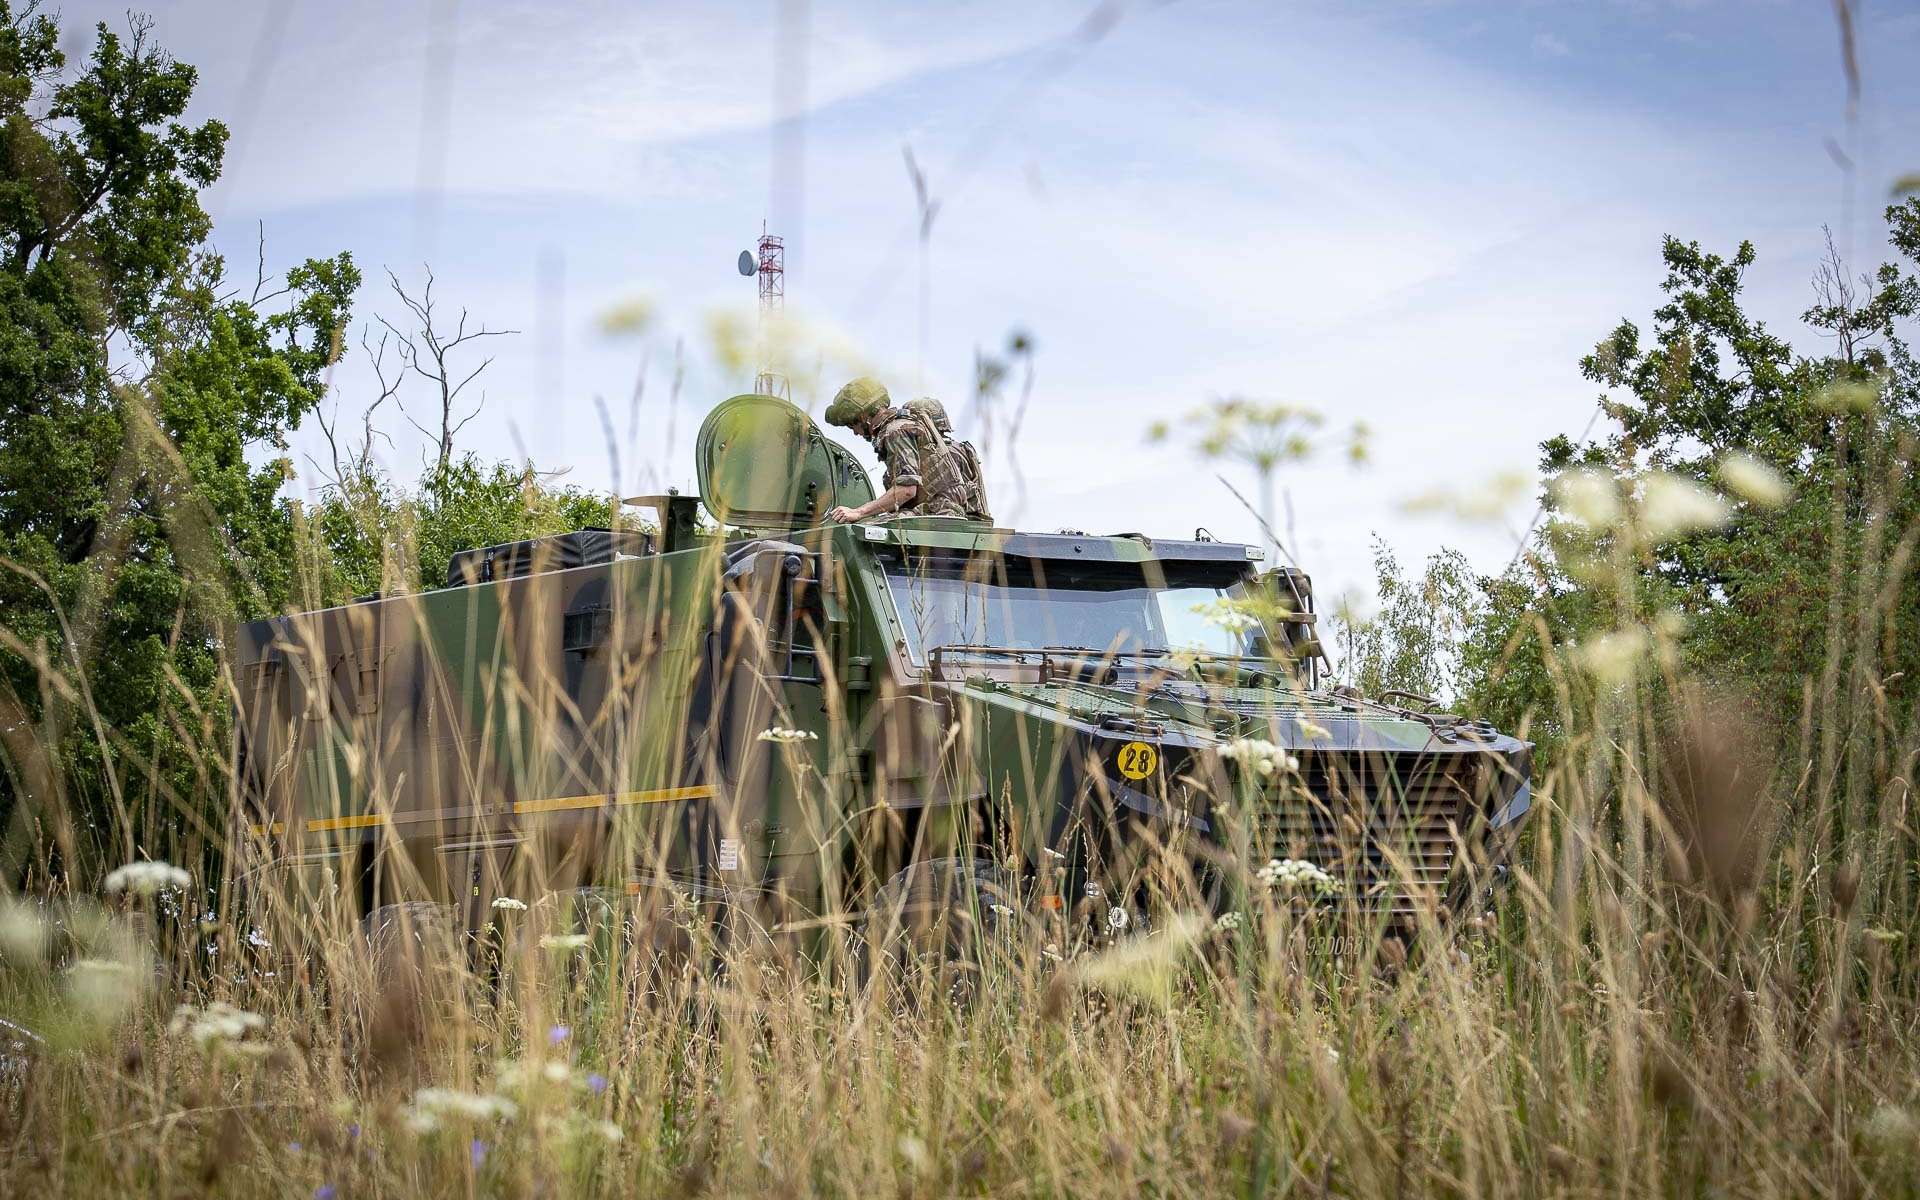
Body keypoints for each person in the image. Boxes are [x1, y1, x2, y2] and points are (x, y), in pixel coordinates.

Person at [822, 377, 971, 522]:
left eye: (852, 425)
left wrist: (858, 512)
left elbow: (906, 491)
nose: (855, 433)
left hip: (938, 513)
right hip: (944, 511)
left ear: (863, 416)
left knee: (861, 528)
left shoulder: (895, 431)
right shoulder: (903, 426)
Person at [904, 396, 992, 523]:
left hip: (950, 522)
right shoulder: (958, 449)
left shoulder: (936, 453)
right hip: (968, 522)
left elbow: (943, 503)